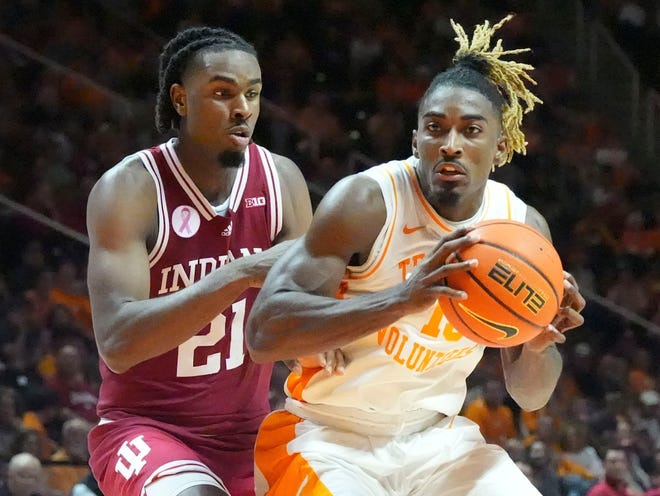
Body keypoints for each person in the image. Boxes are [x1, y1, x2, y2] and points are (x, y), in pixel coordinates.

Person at [246, 15, 586, 495]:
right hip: (325, 436)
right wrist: (401, 299)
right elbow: (263, 333)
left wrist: (537, 340)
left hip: (437, 440)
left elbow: (530, 394)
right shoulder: (366, 202)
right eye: (435, 129)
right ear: (415, 139)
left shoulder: (521, 228)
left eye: (471, 131)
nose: (450, 145)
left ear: (501, 145)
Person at [85, 26, 312, 496]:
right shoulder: (130, 189)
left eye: (252, 93)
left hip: (251, 433)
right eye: (222, 93)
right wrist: (242, 272)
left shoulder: (282, 181)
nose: (243, 108)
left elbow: (299, 329)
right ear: (181, 99)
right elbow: (118, 343)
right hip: (146, 429)